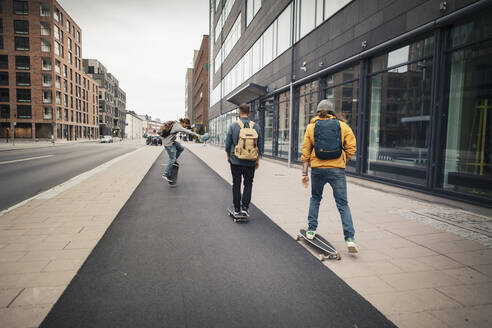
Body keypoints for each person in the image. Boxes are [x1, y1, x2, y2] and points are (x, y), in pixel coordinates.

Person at [300, 99, 358, 253]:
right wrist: (343, 159)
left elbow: (305, 152)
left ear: (318, 112)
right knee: (343, 204)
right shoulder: (343, 126)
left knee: (315, 199)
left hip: (318, 169)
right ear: (332, 112)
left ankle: (311, 230)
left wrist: (304, 173)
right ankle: (350, 239)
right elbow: (352, 147)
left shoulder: (311, 127)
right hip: (337, 169)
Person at [225, 103, 262, 217]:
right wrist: (257, 159)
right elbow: (259, 145)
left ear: (239, 112)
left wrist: (228, 155)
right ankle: (245, 208)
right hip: (250, 161)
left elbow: (228, 144)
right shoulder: (256, 126)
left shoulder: (233, 126)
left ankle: (237, 208)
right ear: (249, 112)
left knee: (236, 183)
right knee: (248, 184)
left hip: (235, 160)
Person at [161, 118, 202, 183]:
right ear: (184, 123)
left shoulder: (176, 124)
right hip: (168, 144)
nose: (185, 127)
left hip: (171, 141)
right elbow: (186, 131)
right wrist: (196, 135)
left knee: (181, 148)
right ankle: (165, 174)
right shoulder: (178, 126)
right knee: (172, 159)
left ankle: (174, 160)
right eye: (186, 126)